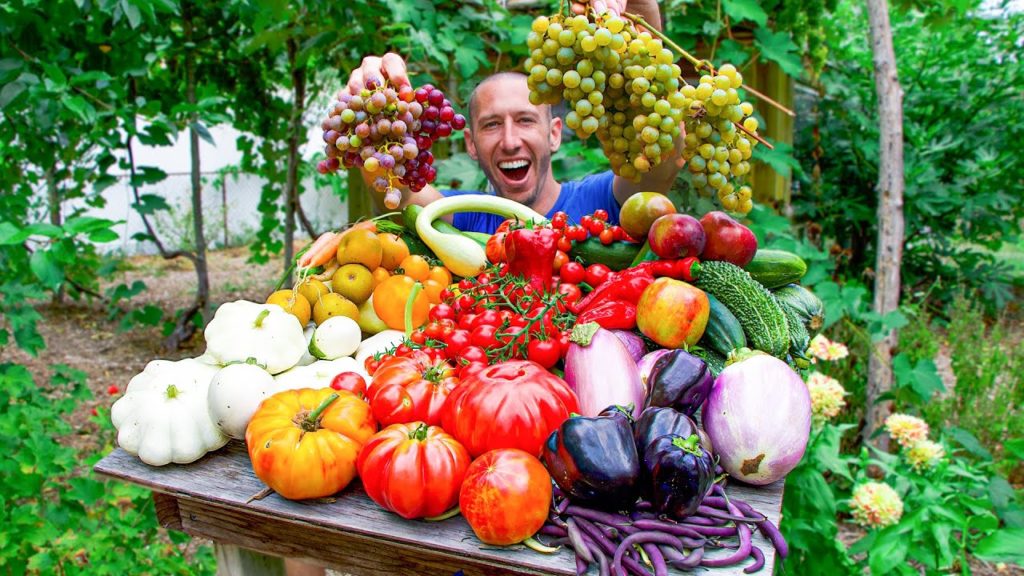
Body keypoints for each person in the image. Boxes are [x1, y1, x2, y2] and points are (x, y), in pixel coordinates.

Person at [345, 0, 684, 235]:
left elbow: (660, 157)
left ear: (554, 133)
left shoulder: (602, 203)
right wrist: (373, 112)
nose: (509, 141)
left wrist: (635, 13)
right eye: (491, 125)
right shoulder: (461, 215)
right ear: (471, 143)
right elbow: (398, 196)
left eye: (525, 120)